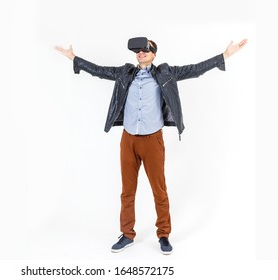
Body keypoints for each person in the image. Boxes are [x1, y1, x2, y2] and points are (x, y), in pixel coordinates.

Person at [55, 37, 247, 255]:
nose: (141, 52)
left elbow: (195, 69)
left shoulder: (165, 73)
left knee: (159, 190)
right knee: (127, 191)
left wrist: (225, 55)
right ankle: (127, 234)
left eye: (146, 50)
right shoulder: (125, 73)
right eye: (137, 50)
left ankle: (163, 234)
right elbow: (99, 70)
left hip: (152, 141)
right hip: (128, 140)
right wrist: (74, 58)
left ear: (154, 54)